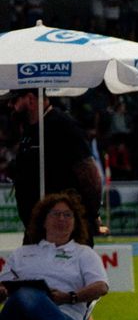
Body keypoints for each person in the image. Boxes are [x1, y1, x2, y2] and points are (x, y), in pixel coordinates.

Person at [0, 191, 109, 320]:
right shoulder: (22, 253)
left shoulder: (83, 253)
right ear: (43, 220)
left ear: (75, 221)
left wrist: (69, 297)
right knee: (26, 293)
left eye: (67, 215)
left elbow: (101, 287)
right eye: (55, 214)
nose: (62, 219)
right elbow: (3, 289)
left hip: (65, 316)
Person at [9, 93, 106, 238]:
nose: (11, 105)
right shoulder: (32, 128)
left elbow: (90, 175)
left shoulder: (62, 125)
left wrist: (91, 216)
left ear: (30, 99)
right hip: (38, 229)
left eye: (15, 100)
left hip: (64, 232)